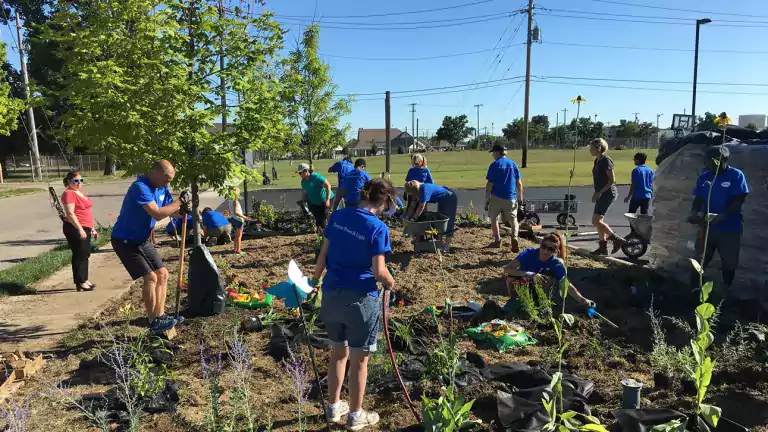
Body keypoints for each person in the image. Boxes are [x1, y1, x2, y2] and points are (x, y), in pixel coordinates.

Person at [312, 178, 397, 430]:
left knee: (338, 353)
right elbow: (379, 271)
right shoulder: (378, 227)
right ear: (385, 201)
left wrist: (314, 281)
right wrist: (391, 283)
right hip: (360, 298)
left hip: (331, 294)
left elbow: (323, 254)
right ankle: (355, 414)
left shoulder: (338, 217)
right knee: (360, 359)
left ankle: (333, 407)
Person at [111, 160, 189, 333]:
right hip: (125, 240)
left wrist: (182, 211)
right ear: (155, 173)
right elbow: (157, 213)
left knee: (163, 274)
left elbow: (171, 211)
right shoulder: (140, 187)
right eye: (166, 180)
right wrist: (180, 201)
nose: (168, 184)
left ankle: (160, 316)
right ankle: (152, 320)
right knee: (151, 277)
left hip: (142, 239)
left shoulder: (162, 188)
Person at [688, 145, 749, 290]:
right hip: (706, 227)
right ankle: (693, 292)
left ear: (724, 160)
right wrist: (694, 213)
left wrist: (723, 216)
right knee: (699, 260)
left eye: (713, 161)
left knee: (729, 262)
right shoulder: (704, 177)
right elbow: (698, 198)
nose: (709, 164)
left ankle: (726, 292)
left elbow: (739, 198)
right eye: (707, 161)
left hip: (729, 227)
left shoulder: (735, 175)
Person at [503, 232, 594, 307]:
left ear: (556, 251)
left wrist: (582, 299)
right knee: (511, 276)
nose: (546, 251)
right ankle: (513, 300)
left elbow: (566, 284)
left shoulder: (556, 263)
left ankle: (541, 302)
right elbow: (507, 269)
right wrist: (529, 273)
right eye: (544, 247)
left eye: (551, 249)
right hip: (523, 284)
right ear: (540, 245)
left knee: (549, 277)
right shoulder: (529, 253)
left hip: (541, 289)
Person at [61, 170, 98, 292]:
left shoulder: (80, 193)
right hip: (75, 228)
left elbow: (86, 212)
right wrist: (80, 229)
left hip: (85, 227)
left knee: (85, 254)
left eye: (81, 180)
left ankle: (85, 279)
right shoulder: (69, 193)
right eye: (75, 181)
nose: (79, 183)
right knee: (79, 254)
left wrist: (92, 228)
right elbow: (70, 214)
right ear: (69, 181)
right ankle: (80, 282)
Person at [589, 138, 626, 255]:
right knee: (599, 220)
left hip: (608, 193)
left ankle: (616, 239)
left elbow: (612, 180)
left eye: (592, 148)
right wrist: (597, 192)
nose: (590, 150)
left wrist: (600, 192)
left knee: (595, 221)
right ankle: (602, 247)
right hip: (602, 193)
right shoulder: (597, 160)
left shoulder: (606, 161)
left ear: (599, 148)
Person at [485, 144, 523, 252]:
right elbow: (519, 183)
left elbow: (489, 185)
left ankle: (497, 240)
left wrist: (486, 199)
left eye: (493, 152)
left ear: (498, 152)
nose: (493, 155)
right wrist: (520, 198)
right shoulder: (513, 164)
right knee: (513, 219)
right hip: (511, 197)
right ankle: (514, 236)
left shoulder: (494, 165)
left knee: (494, 218)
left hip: (496, 197)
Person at [403, 180, 459, 253]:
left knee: (448, 221)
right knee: (440, 220)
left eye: (411, 193)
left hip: (449, 198)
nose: (411, 195)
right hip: (441, 200)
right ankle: (439, 242)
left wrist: (414, 218)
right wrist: (407, 217)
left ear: (414, 191)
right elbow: (412, 205)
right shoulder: (416, 192)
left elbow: (421, 207)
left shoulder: (423, 189)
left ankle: (446, 246)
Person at [299, 163, 334, 230]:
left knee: (325, 221)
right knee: (318, 223)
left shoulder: (315, 177)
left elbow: (328, 186)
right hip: (315, 204)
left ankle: (328, 237)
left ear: (306, 171)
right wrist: (304, 202)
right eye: (299, 173)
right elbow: (306, 192)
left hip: (325, 201)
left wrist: (327, 200)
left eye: (300, 173)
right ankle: (320, 237)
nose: (300, 175)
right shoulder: (303, 182)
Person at [228, 186, 250, 255]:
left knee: (236, 235)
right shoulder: (235, 202)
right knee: (239, 236)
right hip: (238, 220)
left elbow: (230, 211)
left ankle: (235, 249)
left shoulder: (230, 201)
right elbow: (236, 212)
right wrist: (245, 217)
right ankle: (238, 250)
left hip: (233, 219)